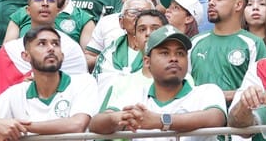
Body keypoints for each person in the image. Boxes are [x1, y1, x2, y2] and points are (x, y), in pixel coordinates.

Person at [90, 25, 227, 136]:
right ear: (147, 62)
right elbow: (96, 124)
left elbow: (216, 118)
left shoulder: (206, 91)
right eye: (165, 53)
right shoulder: (135, 95)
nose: (174, 58)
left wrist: (161, 121)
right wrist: (119, 117)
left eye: (180, 53)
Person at [0, 26, 96, 137]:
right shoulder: (17, 92)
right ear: (25, 56)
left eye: (55, 43)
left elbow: (77, 125)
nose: (51, 48)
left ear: (62, 55)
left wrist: (17, 127)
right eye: (42, 43)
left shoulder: (83, 82)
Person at [0, 0, 87, 100]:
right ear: (28, 10)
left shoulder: (71, 49)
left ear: (58, 10)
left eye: (51, 0)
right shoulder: (9, 51)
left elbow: (80, 91)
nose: (45, 3)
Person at [190, 0, 266, 105]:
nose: (211, 3)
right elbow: (185, 86)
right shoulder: (195, 42)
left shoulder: (253, 44)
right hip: (197, 120)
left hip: (237, 122)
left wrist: (216, 96)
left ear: (238, 5)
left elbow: (258, 91)